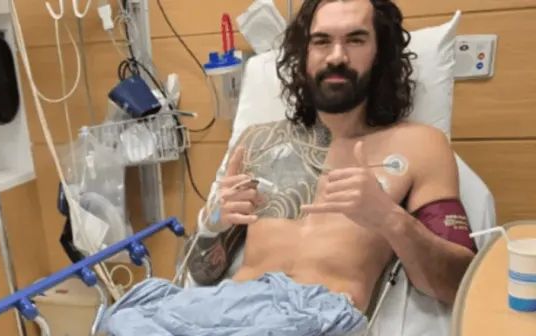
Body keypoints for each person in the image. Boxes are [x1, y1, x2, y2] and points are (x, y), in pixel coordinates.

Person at [187, 0, 476, 312]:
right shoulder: (259, 142)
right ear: (304, 54)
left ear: (381, 53)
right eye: (322, 41)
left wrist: (391, 220)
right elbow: (201, 274)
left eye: (355, 40)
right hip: (229, 318)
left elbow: (459, 286)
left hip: (316, 331)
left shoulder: (419, 146)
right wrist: (213, 223)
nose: (337, 56)